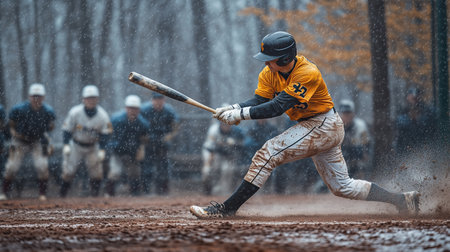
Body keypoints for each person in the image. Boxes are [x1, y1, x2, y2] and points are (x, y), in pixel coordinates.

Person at [189, 31, 420, 219]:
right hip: (315, 127)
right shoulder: (270, 72)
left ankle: (228, 208)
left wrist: (241, 114)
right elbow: (261, 100)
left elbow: (278, 107)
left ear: (285, 58)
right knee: (342, 187)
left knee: (268, 153)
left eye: (270, 59)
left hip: (323, 124)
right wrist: (234, 108)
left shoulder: (307, 73)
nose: (267, 64)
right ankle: (403, 200)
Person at [0, 84, 56, 201]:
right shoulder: (19, 109)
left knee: (42, 166)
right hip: (20, 140)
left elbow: (50, 128)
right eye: (34, 96)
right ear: (29, 96)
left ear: (43, 97)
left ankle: (42, 193)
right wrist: (13, 135)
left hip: (37, 140)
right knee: (12, 167)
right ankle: (4, 192)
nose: (36, 99)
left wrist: (48, 142)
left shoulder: (48, 111)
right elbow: (10, 125)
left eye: (39, 96)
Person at [59, 85, 112, 197]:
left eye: (93, 98)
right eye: (88, 98)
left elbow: (105, 134)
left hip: (92, 146)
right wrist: (66, 144)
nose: (91, 101)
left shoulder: (102, 115)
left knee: (96, 173)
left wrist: (102, 149)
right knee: (68, 171)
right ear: (83, 99)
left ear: (97, 99)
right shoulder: (75, 112)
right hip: (76, 145)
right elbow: (67, 129)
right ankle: (62, 195)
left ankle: (95, 197)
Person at [105, 95, 149, 196]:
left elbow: (144, 138)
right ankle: (109, 194)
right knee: (115, 172)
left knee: (135, 173)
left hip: (132, 152)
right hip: (117, 151)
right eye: (130, 108)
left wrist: (140, 149)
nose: (133, 111)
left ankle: (135, 196)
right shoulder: (116, 120)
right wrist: (110, 148)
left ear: (139, 110)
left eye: (135, 109)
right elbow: (109, 136)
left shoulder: (142, 123)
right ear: (126, 108)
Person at [140, 92, 179, 195]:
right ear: (152, 100)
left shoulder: (169, 111)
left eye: (160, 99)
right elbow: (139, 125)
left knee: (164, 167)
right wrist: (144, 137)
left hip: (163, 142)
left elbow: (175, 126)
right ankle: (146, 191)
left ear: (164, 100)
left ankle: (163, 191)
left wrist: (169, 136)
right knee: (147, 167)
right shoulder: (144, 110)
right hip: (148, 142)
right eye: (156, 99)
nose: (158, 102)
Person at [202, 119, 245, 195]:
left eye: (228, 124)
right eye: (224, 124)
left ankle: (225, 192)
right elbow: (211, 148)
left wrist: (234, 143)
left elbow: (241, 146)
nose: (226, 126)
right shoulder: (214, 130)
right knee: (208, 171)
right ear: (220, 124)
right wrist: (209, 163)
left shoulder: (236, 131)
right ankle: (208, 192)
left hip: (227, 153)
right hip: (211, 152)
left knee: (227, 169)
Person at [395, 87, 437, 155]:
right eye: (412, 97)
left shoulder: (428, 113)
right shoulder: (403, 114)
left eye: (416, 97)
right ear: (407, 97)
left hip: (424, 147)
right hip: (408, 149)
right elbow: (400, 136)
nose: (415, 99)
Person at [338, 99, 371, 179]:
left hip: (357, 159)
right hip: (340, 160)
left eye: (348, 113)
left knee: (358, 151)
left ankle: (360, 180)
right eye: (344, 113)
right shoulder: (335, 127)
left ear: (353, 114)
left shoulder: (360, 126)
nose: (346, 116)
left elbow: (367, 145)